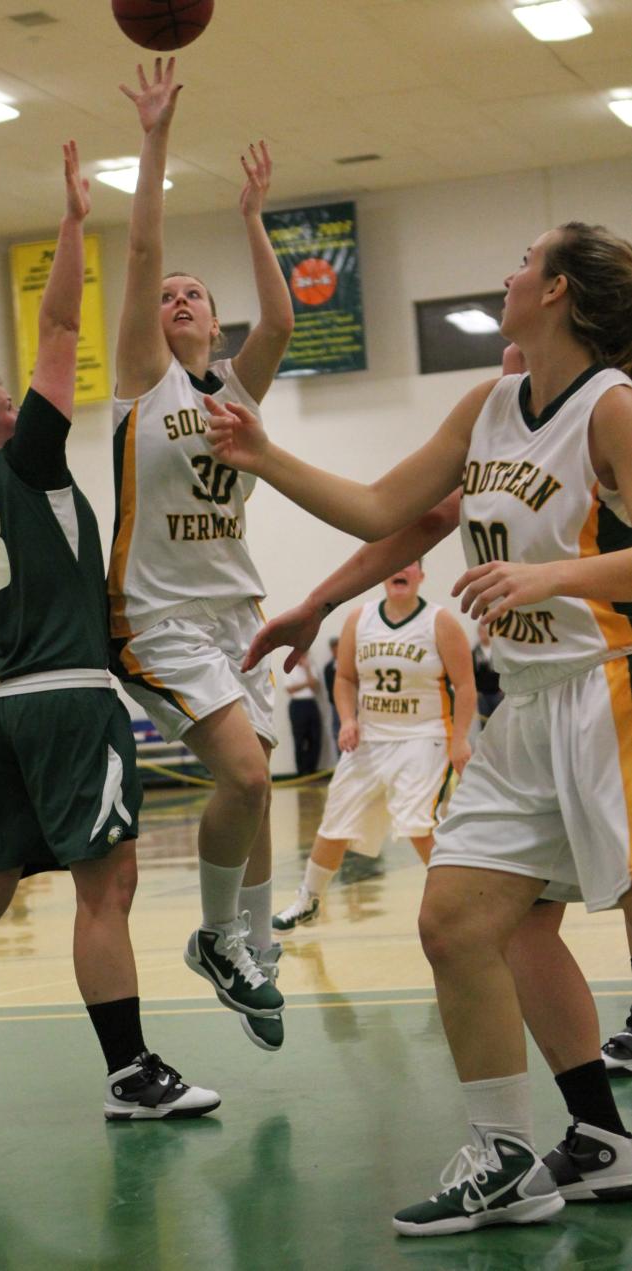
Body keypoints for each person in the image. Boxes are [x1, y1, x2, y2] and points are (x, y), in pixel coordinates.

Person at [205, 221, 632, 1233]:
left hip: (613, 686)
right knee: (464, 922)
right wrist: (265, 456)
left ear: (559, 289)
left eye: (523, 260)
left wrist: (557, 572)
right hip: (525, 702)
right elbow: (381, 506)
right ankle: (539, 1145)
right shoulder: (486, 403)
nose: (507, 269)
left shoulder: (612, 408)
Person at [0, 140, 218, 1123]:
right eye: (6, 399)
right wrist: (72, 222)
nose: (20, 396)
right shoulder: (27, 459)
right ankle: (131, 1073)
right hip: (67, 697)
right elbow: (63, 322)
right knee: (102, 892)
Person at [109, 58, 294, 1053]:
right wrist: (154, 140)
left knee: (257, 779)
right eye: (170, 294)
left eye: (194, 293)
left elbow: (282, 321)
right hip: (156, 618)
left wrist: (255, 215)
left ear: (213, 322)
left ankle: (255, 945)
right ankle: (221, 937)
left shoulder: (238, 393)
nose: (177, 297)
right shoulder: (146, 382)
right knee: (249, 779)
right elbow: (140, 252)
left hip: (237, 615)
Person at [273, 562, 475, 930]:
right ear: (385, 575)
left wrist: (460, 739)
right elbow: (346, 678)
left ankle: (458, 903)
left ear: (421, 575)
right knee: (335, 822)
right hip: (370, 738)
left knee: (419, 823)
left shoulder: (439, 621)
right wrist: (348, 719)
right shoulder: (358, 618)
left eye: (410, 564)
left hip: (423, 737)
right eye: (396, 563)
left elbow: (465, 685)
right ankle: (308, 899)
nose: (401, 568)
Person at [283, 652, 322, 776]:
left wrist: (307, 669)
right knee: (299, 739)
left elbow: (315, 686)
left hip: (311, 703)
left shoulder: (311, 666)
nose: (303, 656)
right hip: (297, 705)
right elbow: (290, 689)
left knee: (315, 738)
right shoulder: (289, 668)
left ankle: (312, 770)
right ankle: (301, 771)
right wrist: (307, 683)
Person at [472, 616, 503, 723]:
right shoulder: (474, 653)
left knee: (499, 722)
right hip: (482, 695)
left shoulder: (498, 651)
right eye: (481, 631)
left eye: (485, 631)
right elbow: (471, 674)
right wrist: (475, 691)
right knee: (485, 722)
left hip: (498, 693)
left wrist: (503, 689)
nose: (483, 634)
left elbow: (504, 671)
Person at [323, 635, 340, 743]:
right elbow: (329, 688)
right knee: (337, 731)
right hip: (335, 704)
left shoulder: (350, 664)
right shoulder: (328, 668)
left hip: (353, 703)